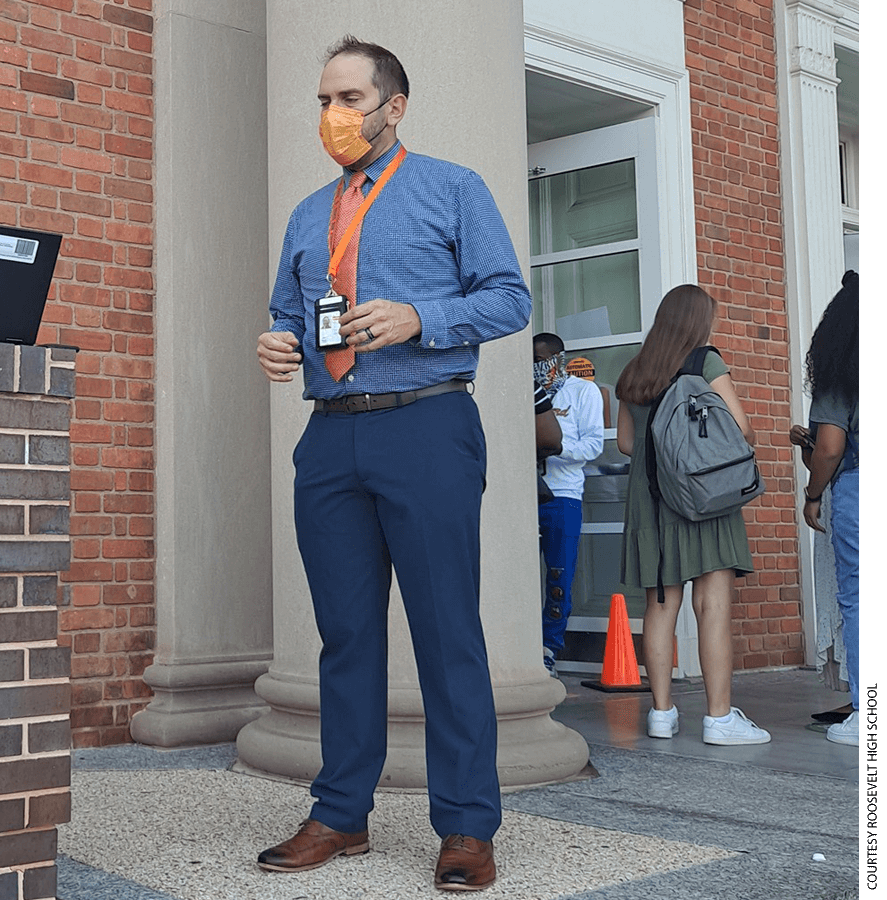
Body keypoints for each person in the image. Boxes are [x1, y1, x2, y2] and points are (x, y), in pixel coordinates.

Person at [254, 36, 531, 892]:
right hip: (331, 434)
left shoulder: (454, 188)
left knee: (447, 631)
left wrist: (420, 316)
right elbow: (286, 313)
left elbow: (510, 297)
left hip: (427, 425)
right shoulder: (308, 214)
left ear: (393, 107)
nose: (333, 117)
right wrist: (277, 343)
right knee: (345, 635)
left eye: (349, 100)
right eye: (324, 101)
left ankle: (467, 828)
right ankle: (341, 814)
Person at [615, 285, 770, 746]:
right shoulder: (706, 363)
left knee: (660, 608)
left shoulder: (634, 369)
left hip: (651, 502)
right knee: (713, 606)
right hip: (703, 500)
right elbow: (741, 428)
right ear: (699, 322)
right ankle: (719, 719)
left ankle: (661, 713)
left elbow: (626, 444)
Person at [790, 271, 858, 746]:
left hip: (855, 487)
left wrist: (812, 494)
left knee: (856, 598)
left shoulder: (841, 370)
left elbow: (830, 449)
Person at [533, 333, 604, 674]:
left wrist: (558, 448)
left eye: (544, 359)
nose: (539, 367)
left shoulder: (582, 392)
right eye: (532, 360)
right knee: (524, 577)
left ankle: (550, 647)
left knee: (559, 576)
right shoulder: (525, 391)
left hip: (563, 495)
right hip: (527, 494)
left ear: (560, 358)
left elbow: (593, 446)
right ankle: (526, 647)